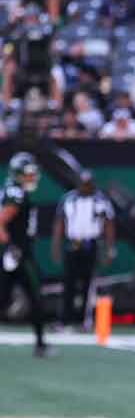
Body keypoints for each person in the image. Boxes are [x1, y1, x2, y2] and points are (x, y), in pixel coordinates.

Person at [0, 152, 50, 356]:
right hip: (19, 253)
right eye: (28, 174)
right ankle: (40, 344)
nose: (32, 177)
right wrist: (11, 246)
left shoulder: (12, 189)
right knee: (36, 296)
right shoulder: (16, 194)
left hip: (13, 252)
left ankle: (40, 343)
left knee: (3, 298)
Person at [51, 171, 114, 328]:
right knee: (68, 283)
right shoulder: (68, 199)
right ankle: (64, 320)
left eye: (88, 184)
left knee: (88, 283)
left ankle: (85, 320)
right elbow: (59, 224)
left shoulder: (101, 200)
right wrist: (55, 246)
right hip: (72, 243)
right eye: (83, 183)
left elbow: (109, 225)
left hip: (90, 244)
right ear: (78, 183)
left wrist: (110, 249)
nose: (85, 187)